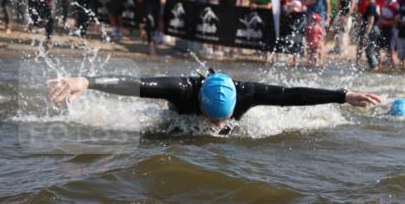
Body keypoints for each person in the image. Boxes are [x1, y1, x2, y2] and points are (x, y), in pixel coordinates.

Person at [46, 72, 381, 133]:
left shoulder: (248, 93)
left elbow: (292, 95)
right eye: (213, 118)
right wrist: (87, 82)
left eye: (225, 119)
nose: (219, 126)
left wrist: (343, 96)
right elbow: (136, 85)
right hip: (175, 120)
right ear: (201, 104)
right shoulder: (182, 90)